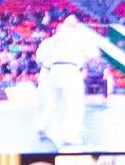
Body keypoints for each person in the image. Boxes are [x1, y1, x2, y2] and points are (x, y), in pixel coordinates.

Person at [34, 14, 100, 148]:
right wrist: (85, 59)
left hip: (53, 71)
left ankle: (42, 127)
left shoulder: (54, 38)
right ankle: (70, 135)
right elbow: (93, 54)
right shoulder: (80, 36)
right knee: (75, 104)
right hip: (70, 70)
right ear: (76, 25)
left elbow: (40, 57)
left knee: (53, 103)